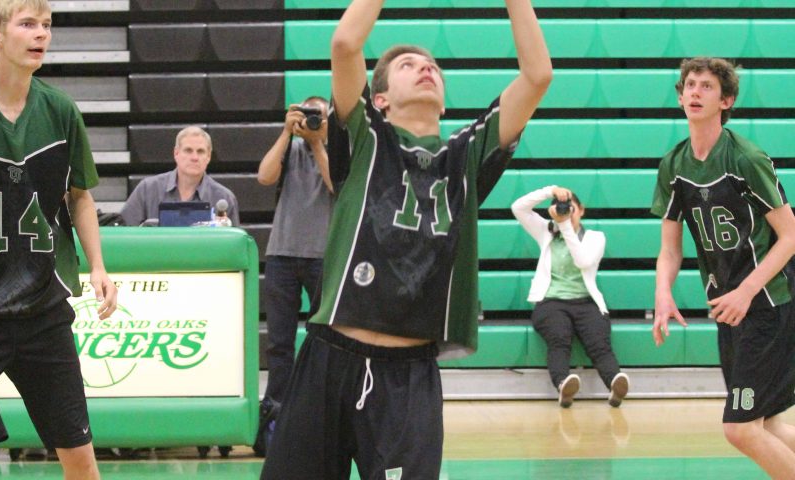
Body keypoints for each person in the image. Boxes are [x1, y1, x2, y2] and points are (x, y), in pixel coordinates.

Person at [260, 0, 551, 477]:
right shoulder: (365, 137)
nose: (426, 69)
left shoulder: (466, 154)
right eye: (409, 65)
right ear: (380, 100)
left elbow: (537, 76)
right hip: (329, 356)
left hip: (409, 375)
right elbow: (345, 43)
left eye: (433, 66)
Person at [0, 1, 118, 479]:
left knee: (82, 462)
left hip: (43, 311)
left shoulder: (61, 110)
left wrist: (98, 266)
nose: (41, 34)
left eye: (47, 25)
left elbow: (80, 197)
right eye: (28, 24)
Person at [651, 57, 795, 478]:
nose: (694, 91)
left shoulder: (745, 158)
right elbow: (670, 249)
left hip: (768, 301)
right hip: (729, 308)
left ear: (726, 99)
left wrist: (747, 291)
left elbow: (789, 236)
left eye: (706, 86)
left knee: (740, 429)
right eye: (689, 85)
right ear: (680, 96)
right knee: (765, 423)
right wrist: (663, 292)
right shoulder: (674, 166)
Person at [253, 97, 334, 456]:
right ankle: (276, 413)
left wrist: (318, 143)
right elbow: (264, 175)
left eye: (319, 116)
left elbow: (337, 185)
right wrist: (287, 133)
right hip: (282, 253)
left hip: (324, 256)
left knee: (323, 341)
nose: (312, 121)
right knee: (279, 343)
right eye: (307, 114)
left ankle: (319, 411)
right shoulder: (290, 148)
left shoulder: (338, 150)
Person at [511, 186, 628, 408]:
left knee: (599, 344)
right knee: (559, 339)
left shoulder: (595, 237)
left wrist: (564, 225)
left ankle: (615, 383)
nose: (566, 212)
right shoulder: (546, 231)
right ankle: (563, 385)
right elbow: (518, 207)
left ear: (581, 210)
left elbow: (582, 261)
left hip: (586, 302)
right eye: (561, 208)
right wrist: (550, 191)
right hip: (551, 302)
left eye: (570, 208)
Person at [119, 126, 239, 226]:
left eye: (201, 151)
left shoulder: (224, 198)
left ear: (208, 157)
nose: (194, 157)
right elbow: (123, 233)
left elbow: (234, 248)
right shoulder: (147, 189)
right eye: (188, 150)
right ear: (176, 153)